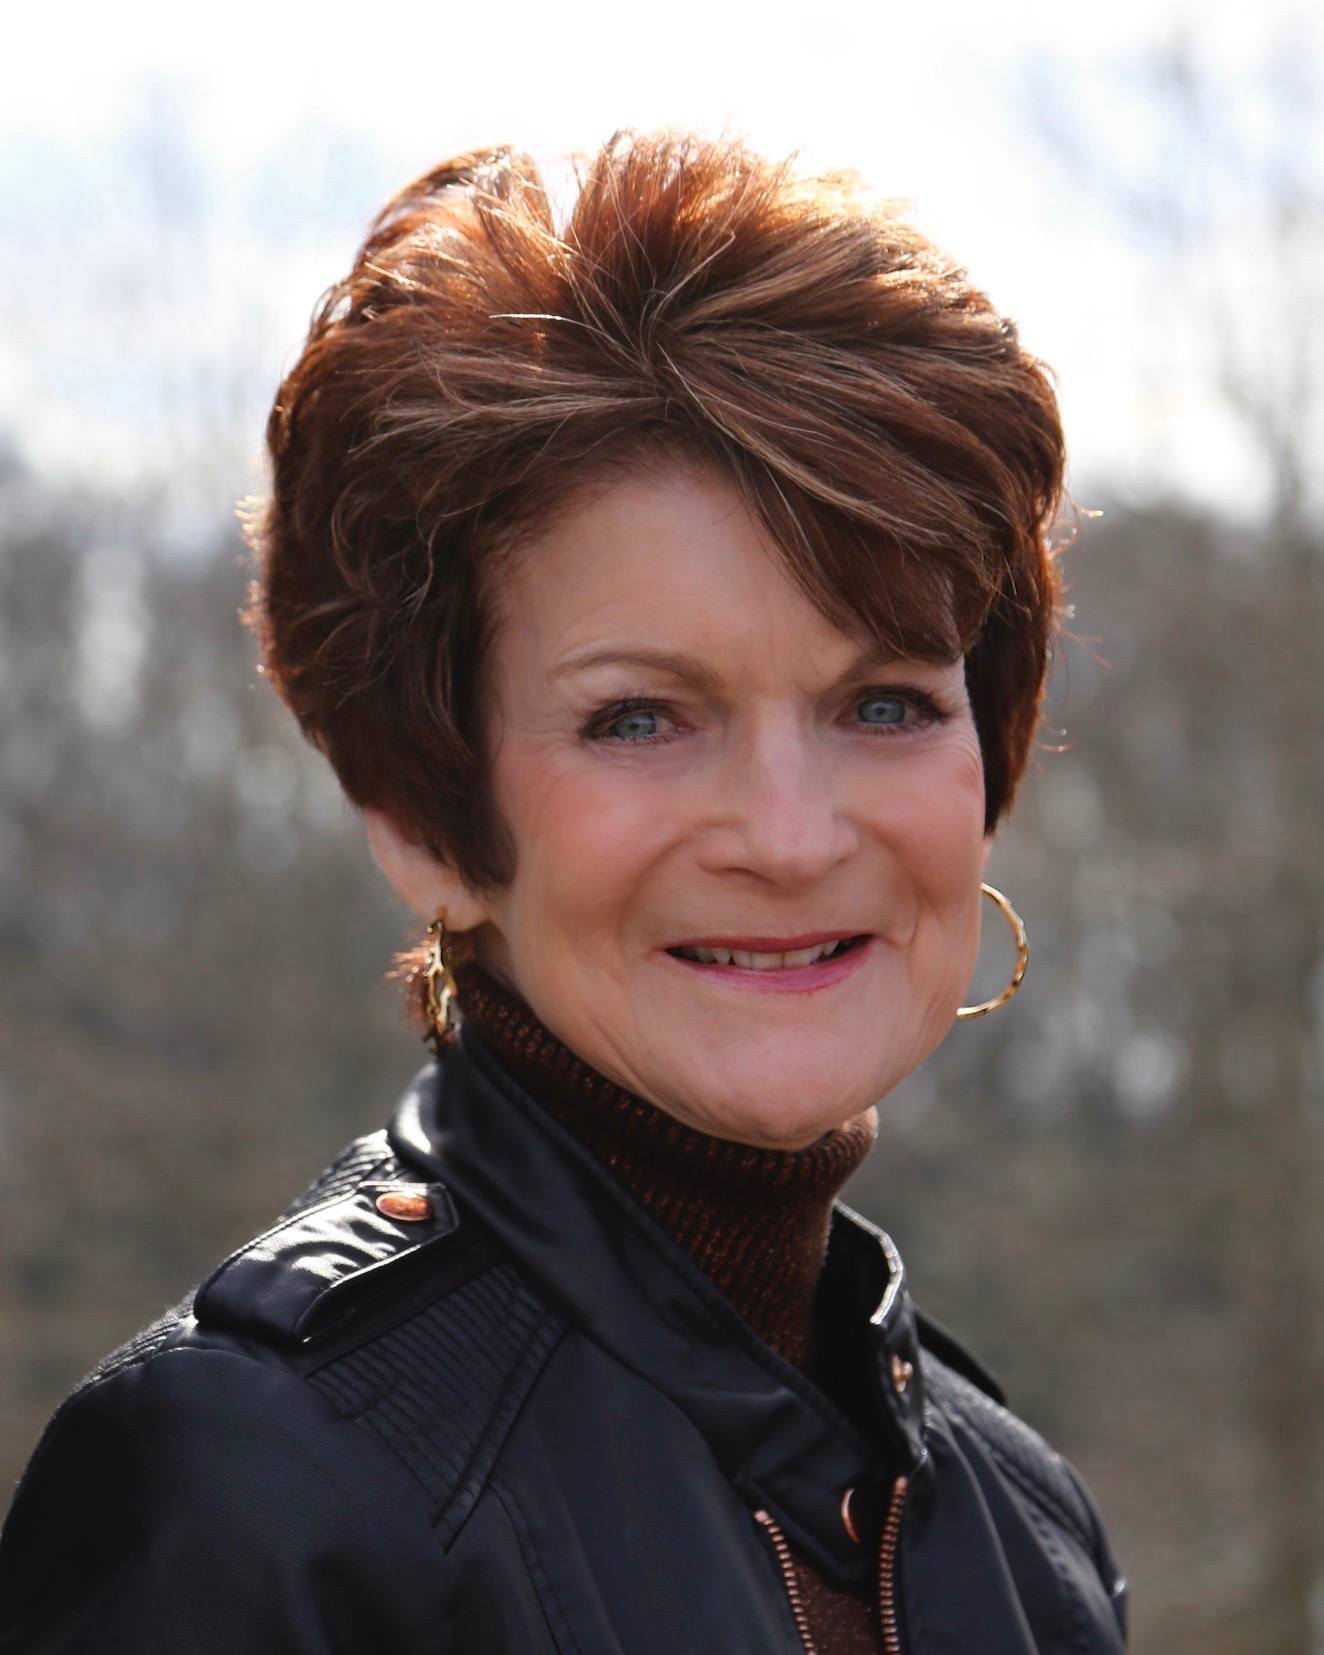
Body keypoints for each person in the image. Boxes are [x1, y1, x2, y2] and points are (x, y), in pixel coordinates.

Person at [0, 132, 1128, 1653]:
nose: (790, 837)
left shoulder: (1028, 1529)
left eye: (883, 704)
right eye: (640, 719)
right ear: (424, 819)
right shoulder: (247, 1490)